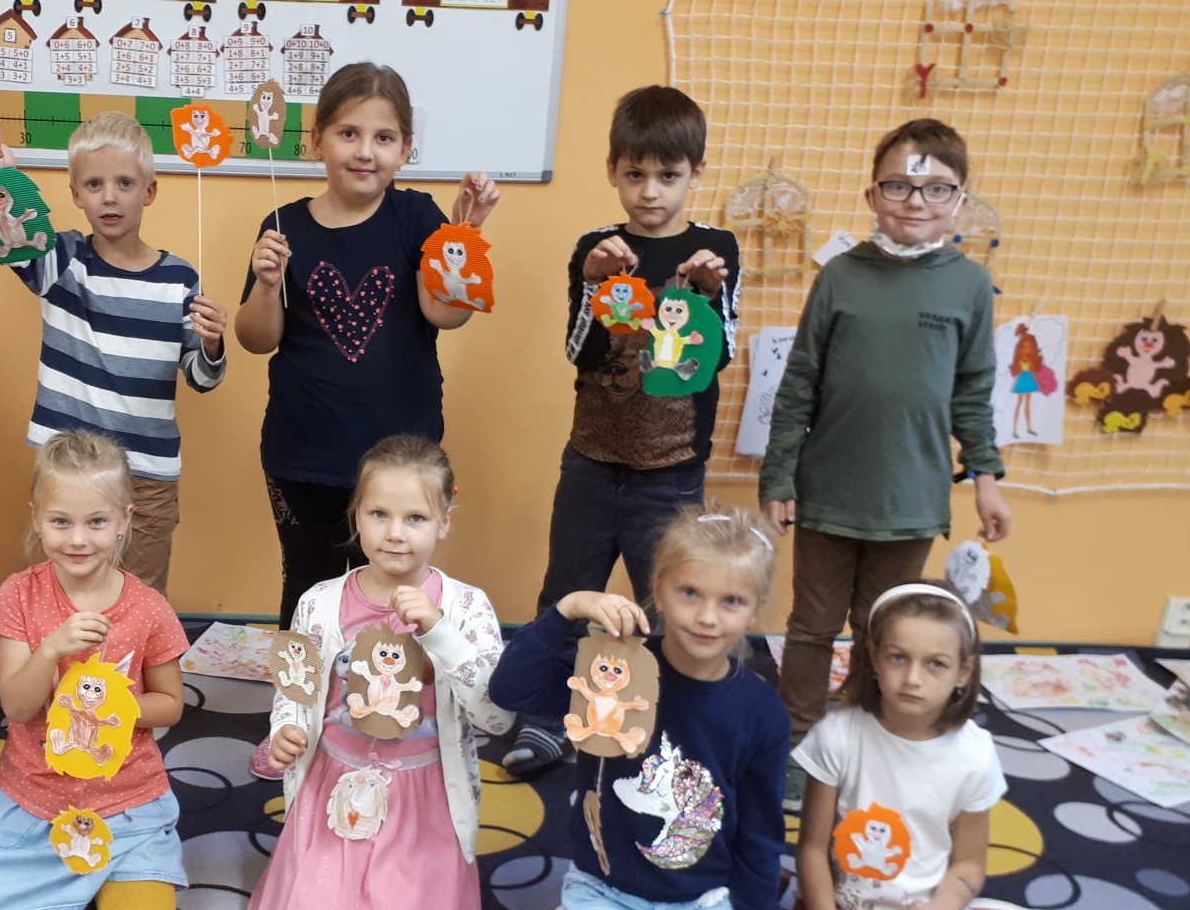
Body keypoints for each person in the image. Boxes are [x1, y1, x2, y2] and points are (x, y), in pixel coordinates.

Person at [234, 60, 500, 780]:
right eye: (348, 133)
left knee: (393, 592)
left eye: (383, 138)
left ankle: (383, 721)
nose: (364, 151)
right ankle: (293, 725)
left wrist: (463, 236)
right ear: (316, 139)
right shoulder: (283, 225)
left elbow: (446, 313)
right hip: (304, 449)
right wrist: (266, 282)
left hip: (401, 463)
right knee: (308, 593)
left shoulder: (418, 217)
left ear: (405, 148)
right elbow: (257, 338)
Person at [761, 118, 1011, 797]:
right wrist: (779, 474)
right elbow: (799, 382)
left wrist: (987, 481)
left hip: (911, 503)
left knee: (886, 634)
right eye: (898, 185)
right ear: (872, 195)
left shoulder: (969, 287)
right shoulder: (840, 276)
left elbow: (973, 393)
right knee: (811, 628)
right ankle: (797, 744)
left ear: (960, 201)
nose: (915, 200)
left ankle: (865, 746)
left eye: (936, 189)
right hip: (827, 493)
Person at [504, 85, 742, 779]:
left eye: (669, 176)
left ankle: (669, 726)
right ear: (612, 170)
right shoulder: (597, 247)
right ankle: (547, 719)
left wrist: (705, 297)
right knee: (566, 594)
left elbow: (719, 356)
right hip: (591, 463)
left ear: (696, 174)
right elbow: (578, 351)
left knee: (669, 606)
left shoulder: (715, 248)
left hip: (672, 472)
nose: (651, 192)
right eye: (635, 174)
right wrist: (592, 281)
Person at [236, 435, 512, 910]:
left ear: (444, 521)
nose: (395, 533)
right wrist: (286, 729)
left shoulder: (467, 607)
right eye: (379, 514)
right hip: (333, 782)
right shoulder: (317, 601)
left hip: (425, 791)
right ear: (355, 515)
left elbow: (495, 713)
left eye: (416, 518)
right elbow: (293, 688)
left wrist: (439, 632)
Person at [490, 505, 789, 910]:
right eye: (690, 592)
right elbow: (509, 690)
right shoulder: (613, 669)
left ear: (755, 608)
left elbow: (761, 837)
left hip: (701, 907)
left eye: (731, 601)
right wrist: (567, 609)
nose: (707, 617)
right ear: (657, 589)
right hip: (604, 896)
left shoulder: (761, 711)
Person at [763, 582, 1074, 910]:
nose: (912, 678)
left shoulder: (973, 755)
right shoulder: (839, 736)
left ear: (963, 672)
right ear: (873, 657)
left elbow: (969, 866)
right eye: (898, 658)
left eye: (936, 664)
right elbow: (811, 848)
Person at [0, 430, 188, 910]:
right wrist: (51, 649)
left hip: (126, 804)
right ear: (37, 519)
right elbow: (16, 707)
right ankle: (66, 876)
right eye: (61, 522)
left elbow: (171, 704)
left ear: (124, 520)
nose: (78, 540)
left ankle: (113, 874)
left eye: (96, 522)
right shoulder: (19, 594)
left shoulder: (149, 607)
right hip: (34, 799)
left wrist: (111, 707)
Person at [0, 110, 228, 594]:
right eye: (94, 184)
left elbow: (201, 377)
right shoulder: (62, 259)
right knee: (66, 595)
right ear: (76, 194)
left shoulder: (180, 278)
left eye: (124, 183)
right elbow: (6, 233)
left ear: (149, 191)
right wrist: (1, 174)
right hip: (70, 469)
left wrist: (213, 343)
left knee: (139, 601)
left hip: (147, 477)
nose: (109, 196)